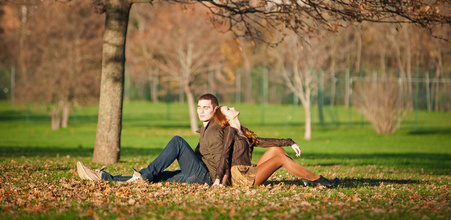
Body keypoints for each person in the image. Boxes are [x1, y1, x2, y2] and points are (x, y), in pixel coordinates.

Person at [77, 93, 224, 185]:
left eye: (206, 107)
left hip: (205, 178)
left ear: (215, 109)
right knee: (157, 177)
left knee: (178, 141)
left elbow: (222, 160)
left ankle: (145, 174)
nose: (201, 111)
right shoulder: (207, 129)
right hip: (198, 175)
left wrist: (219, 182)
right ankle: (103, 177)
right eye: (199, 107)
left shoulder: (214, 131)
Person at [212, 106, 340, 188]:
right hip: (241, 176)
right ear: (226, 118)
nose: (232, 107)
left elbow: (264, 141)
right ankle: (317, 180)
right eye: (228, 109)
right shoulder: (230, 131)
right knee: (281, 159)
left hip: (248, 170)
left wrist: (289, 142)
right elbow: (225, 154)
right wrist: (218, 178)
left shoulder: (242, 131)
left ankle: (303, 176)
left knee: (276, 150)